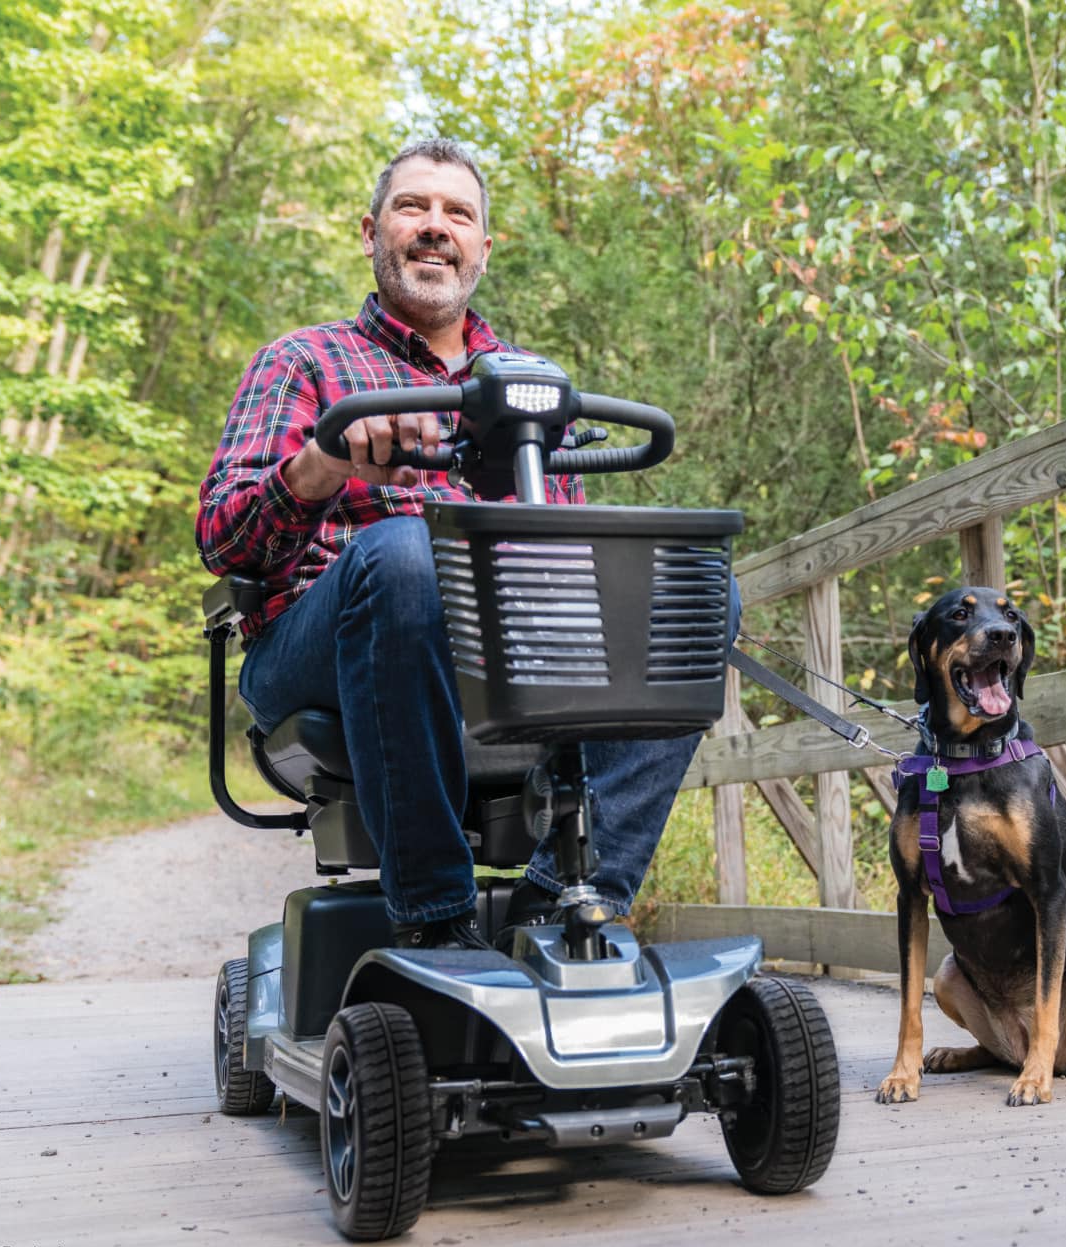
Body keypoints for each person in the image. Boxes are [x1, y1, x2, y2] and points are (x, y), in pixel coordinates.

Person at [198, 138, 713, 950]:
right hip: (319, 646)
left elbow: (567, 568)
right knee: (409, 553)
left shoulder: (532, 381)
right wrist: (323, 463)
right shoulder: (304, 360)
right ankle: (435, 920)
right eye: (413, 207)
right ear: (370, 232)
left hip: (502, 657)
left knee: (692, 587)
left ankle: (563, 898)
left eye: (457, 213)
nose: (436, 226)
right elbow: (224, 541)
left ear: (483, 245)